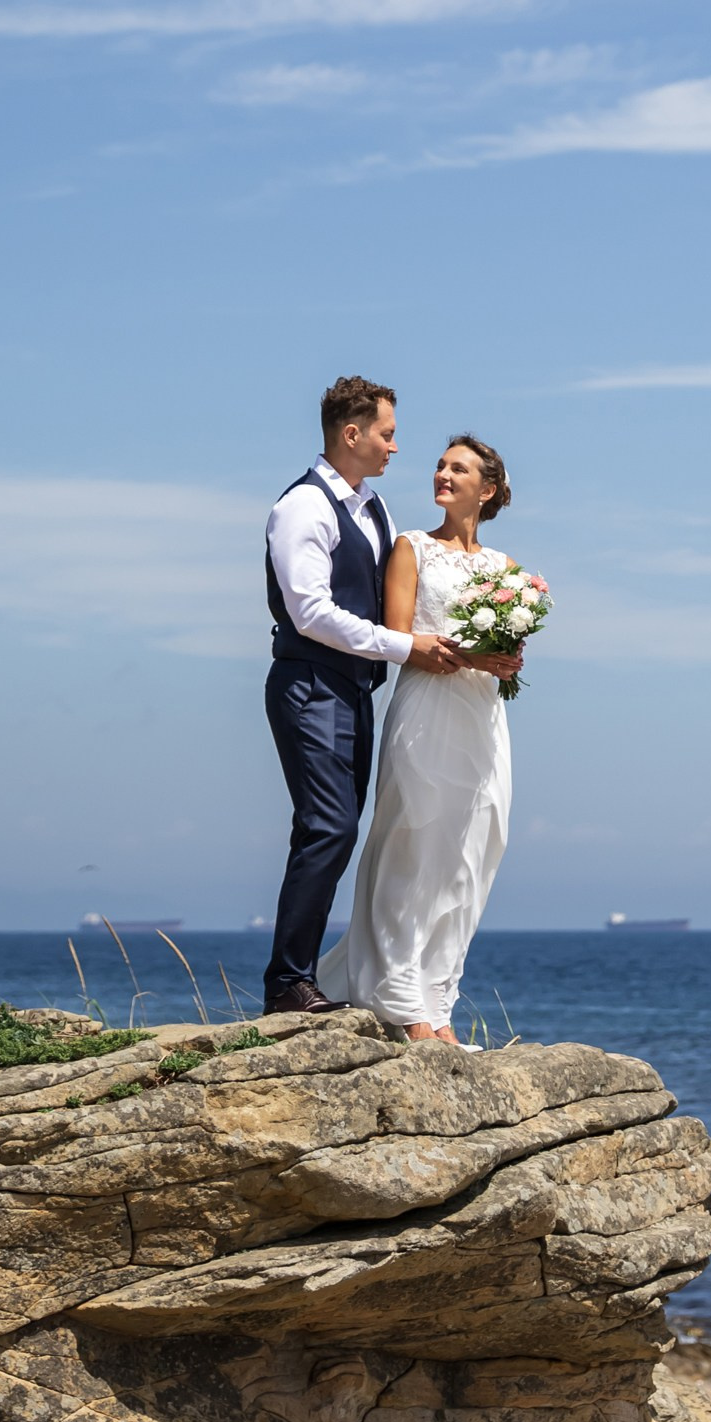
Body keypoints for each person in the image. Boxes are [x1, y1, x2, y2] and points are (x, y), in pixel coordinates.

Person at [261, 375, 462, 1015]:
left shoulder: (374, 509)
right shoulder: (303, 508)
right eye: (387, 433)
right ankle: (288, 984)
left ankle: (302, 978)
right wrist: (404, 649)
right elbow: (311, 613)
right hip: (308, 686)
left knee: (339, 833)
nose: (394, 447)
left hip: (354, 691)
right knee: (328, 827)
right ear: (353, 434)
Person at [318, 434, 521, 1041]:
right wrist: (480, 660)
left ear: (486, 490)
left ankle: (439, 997)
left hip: (482, 719)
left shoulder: (503, 569)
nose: (441, 474)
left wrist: (506, 659)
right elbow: (402, 640)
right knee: (414, 841)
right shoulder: (410, 548)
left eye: (458, 469)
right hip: (427, 710)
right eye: (439, 465)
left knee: (474, 849)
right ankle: (400, 994)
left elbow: (506, 649)